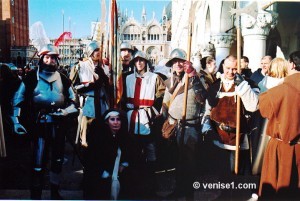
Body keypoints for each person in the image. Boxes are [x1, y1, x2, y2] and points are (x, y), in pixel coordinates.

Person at [9, 44, 78, 199]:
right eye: (47, 57)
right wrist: (16, 122)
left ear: (57, 60)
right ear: (41, 58)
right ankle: (36, 195)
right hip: (39, 126)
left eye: (53, 57)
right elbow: (17, 100)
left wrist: (65, 111)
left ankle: (55, 193)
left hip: (58, 126)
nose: (50, 60)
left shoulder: (64, 79)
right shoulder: (31, 77)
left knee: (57, 161)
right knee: (38, 163)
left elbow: (75, 102)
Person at [202, 55, 259, 175]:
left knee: (237, 172)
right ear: (223, 66)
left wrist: (243, 86)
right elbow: (208, 109)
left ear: (240, 68)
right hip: (219, 136)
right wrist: (206, 127)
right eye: (228, 68)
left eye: (234, 69)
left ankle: (237, 192)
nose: (230, 72)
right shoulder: (215, 85)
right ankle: (224, 192)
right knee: (221, 171)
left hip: (238, 136)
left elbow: (253, 106)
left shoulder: (248, 84)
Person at [162, 48, 207, 199]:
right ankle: (178, 190)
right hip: (174, 126)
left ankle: (189, 194)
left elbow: (203, 98)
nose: (178, 64)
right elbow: (166, 103)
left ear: (186, 62)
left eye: (180, 61)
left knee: (189, 163)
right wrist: (164, 121)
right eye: (174, 62)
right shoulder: (170, 81)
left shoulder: (197, 77)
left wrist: (193, 75)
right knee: (177, 161)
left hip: (190, 127)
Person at [258, 51, 300, 200]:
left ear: (292, 64)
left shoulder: (280, 90)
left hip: (282, 148)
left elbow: (263, 109)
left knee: (279, 190)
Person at [125, 50, 165, 198]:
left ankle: (151, 187)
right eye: (136, 61)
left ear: (146, 62)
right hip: (132, 118)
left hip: (148, 118)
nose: (139, 63)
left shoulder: (155, 78)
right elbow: (122, 97)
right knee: (133, 153)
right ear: (134, 63)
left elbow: (161, 96)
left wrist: (153, 111)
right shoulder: (128, 78)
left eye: (142, 60)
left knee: (151, 152)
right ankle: (134, 187)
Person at [83, 109, 131, 200]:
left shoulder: (125, 137)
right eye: (112, 119)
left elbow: (130, 155)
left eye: (118, 119)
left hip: (118, 175)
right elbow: (91, 160)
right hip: (101, 176)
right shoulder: (99, 139)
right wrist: (103, 172)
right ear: (106, 122)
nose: (116, 122)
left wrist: (124, 164)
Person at [70, 40, 110, 148]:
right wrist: (90, 86)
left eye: (99, 50)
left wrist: (104, 78)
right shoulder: (80, 66)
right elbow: (72, 88)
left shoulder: (105, 67)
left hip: (102, 106)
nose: (98, 52)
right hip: (88, 105)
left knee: (101, 138)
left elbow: (109, 88)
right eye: (95, 50)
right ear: (90, 51)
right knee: (86, 139)